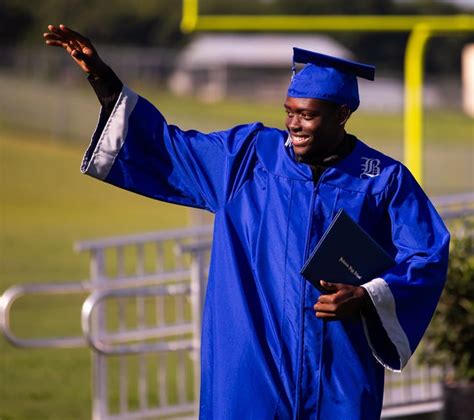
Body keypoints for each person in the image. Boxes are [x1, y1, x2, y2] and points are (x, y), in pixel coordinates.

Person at [44, 25, 450, 420]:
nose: (294, 125)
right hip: (253, 361)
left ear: (342, 114)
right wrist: (103, 77)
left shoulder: (381, 179)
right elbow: (166, 146)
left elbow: (427, 254)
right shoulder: (248, 158)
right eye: (289, 113)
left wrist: (366, 295)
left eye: (307, 116)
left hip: (338, 365)